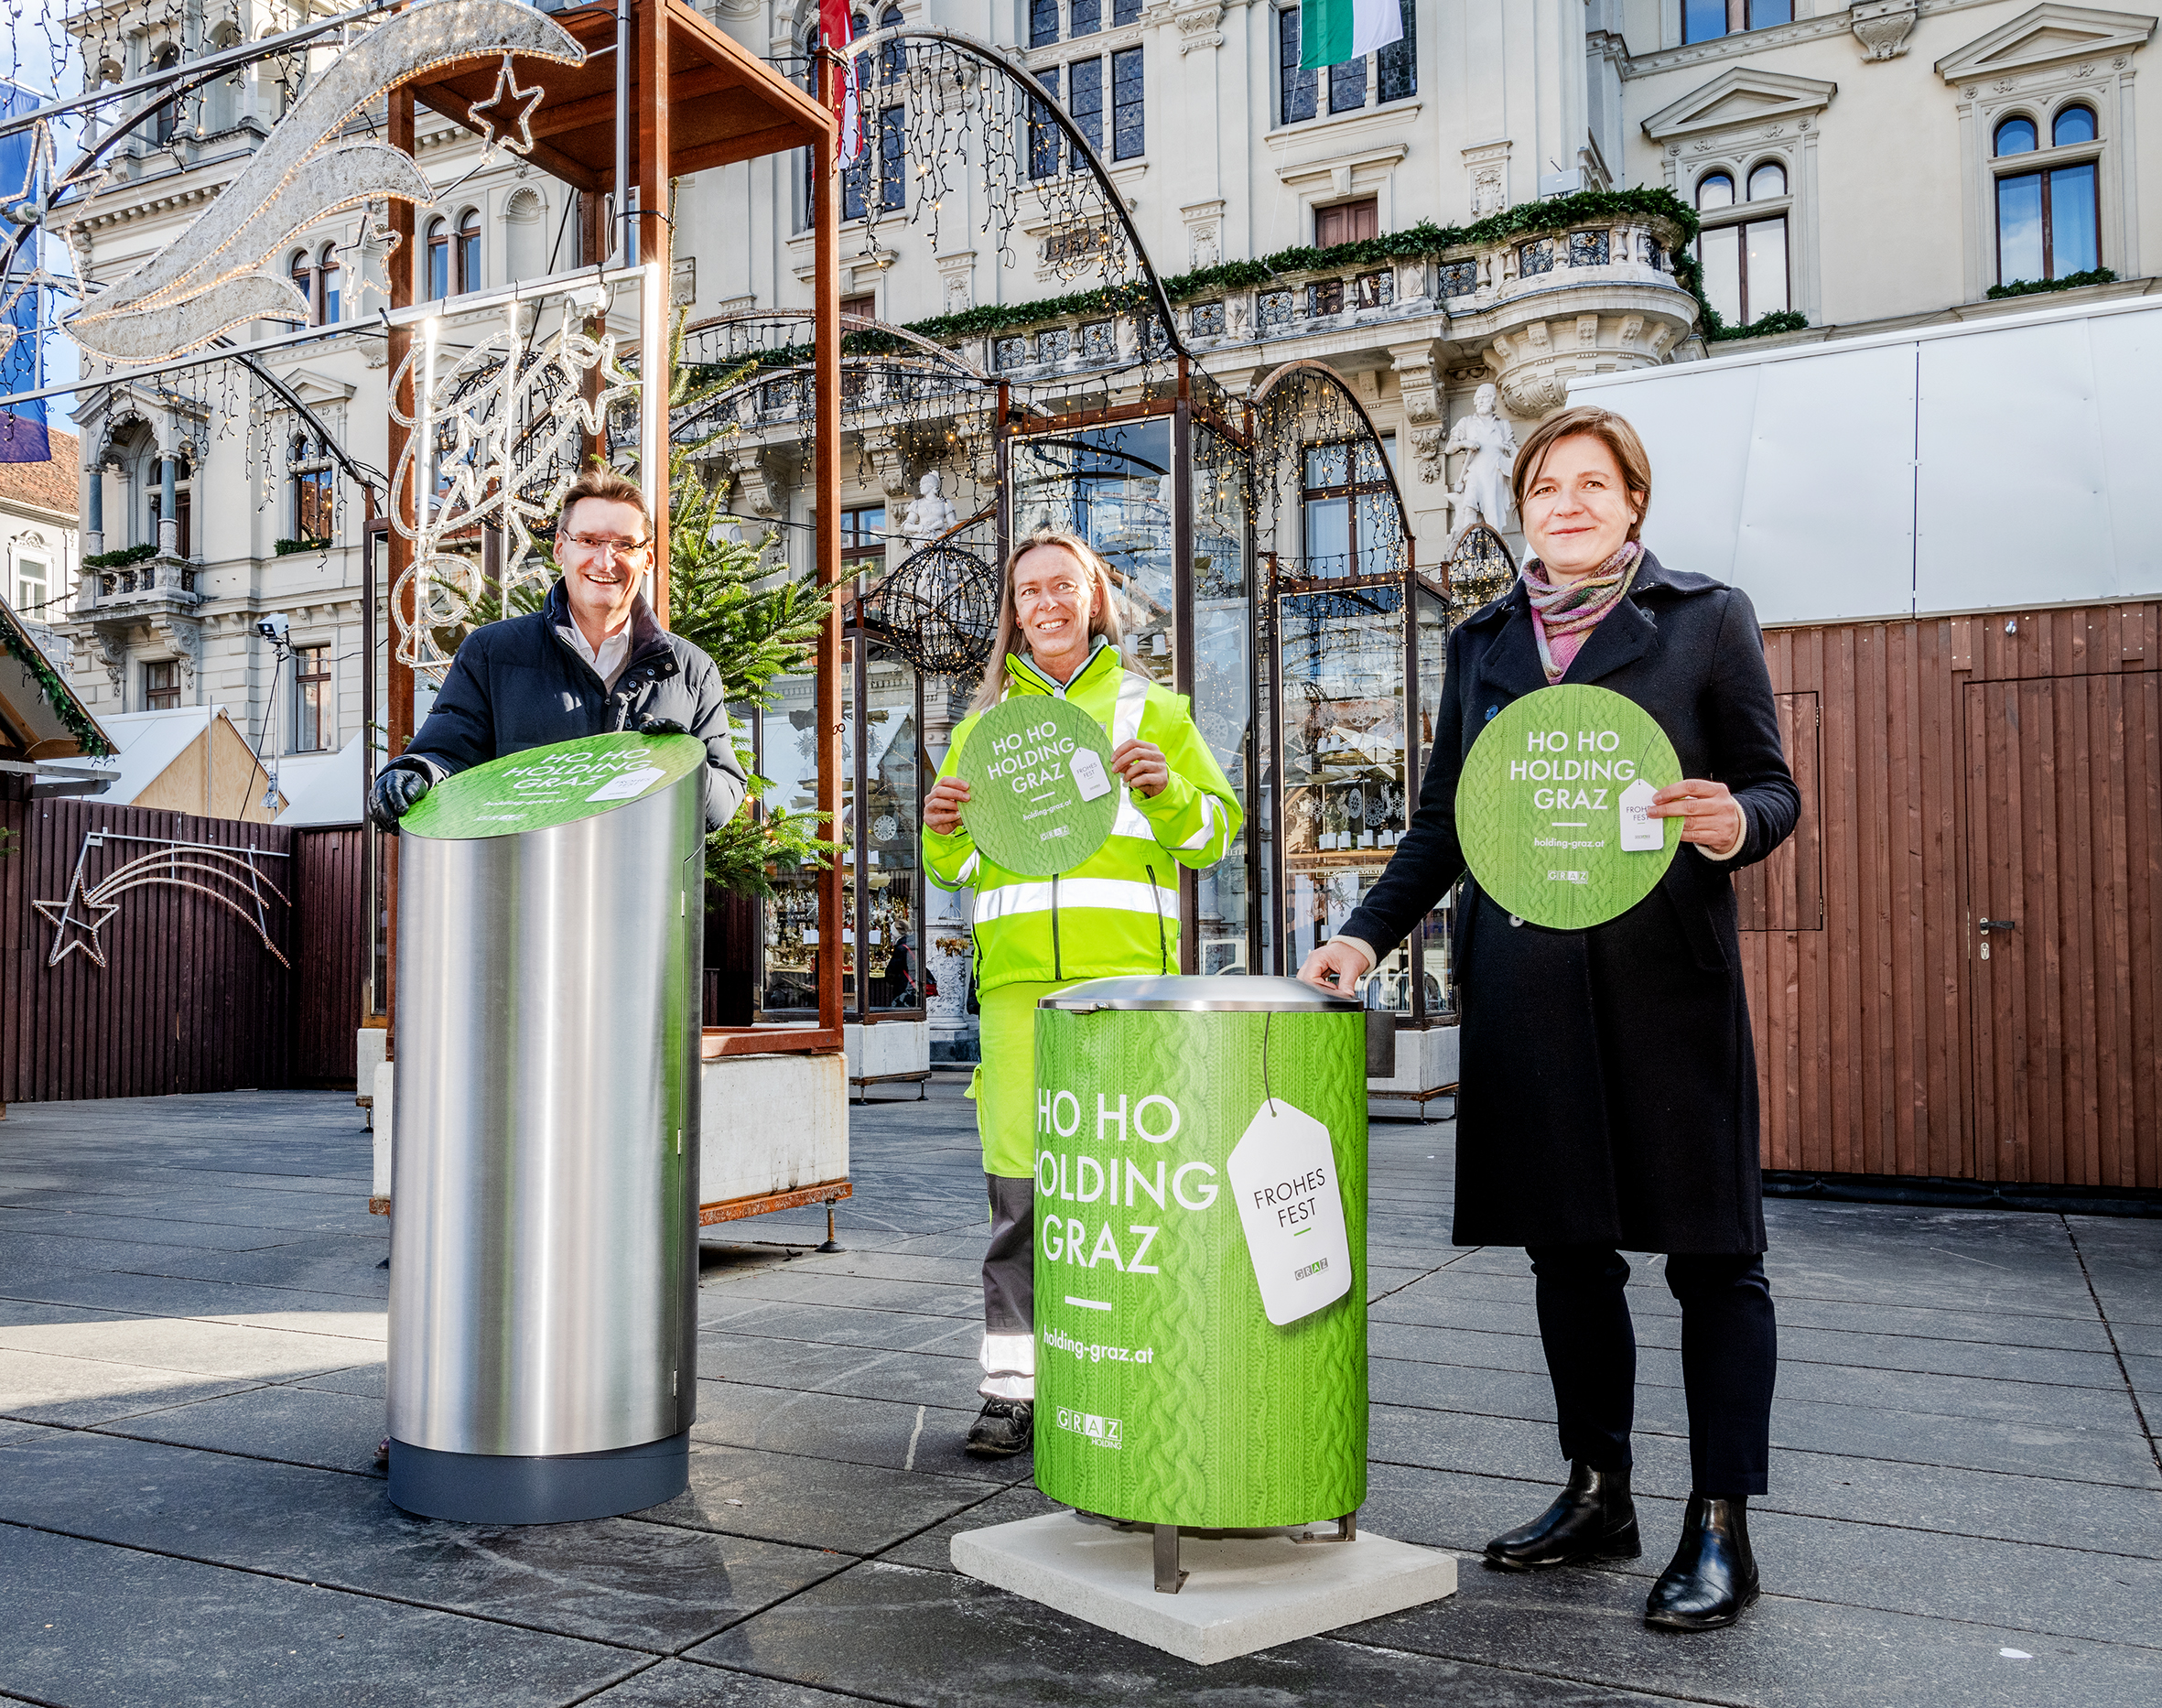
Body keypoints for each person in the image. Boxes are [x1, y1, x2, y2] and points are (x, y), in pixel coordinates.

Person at [1298, 405, 1800, 1632]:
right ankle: (1597, 1490)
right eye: (1541, 487)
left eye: (1590, 484)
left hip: (1663, 980)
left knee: (1711, 1255)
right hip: (1525, 985)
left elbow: (1772, 787)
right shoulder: (1482, 645)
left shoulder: (1703, 619)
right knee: (1565, 1248)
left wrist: (1734, 822)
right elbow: (1442, 822)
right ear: (1519, 510)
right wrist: (1364, 932)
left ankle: (1720, 1525)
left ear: (1633, 501)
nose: (1563, 504)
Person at [922, 529, 1242, 1456]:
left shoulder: (1153, 709)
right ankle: (1011, 1391)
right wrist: (941, 828)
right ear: (1013, 614)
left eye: (1063, 586)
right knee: (1018, 1198)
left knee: (1130, 1197)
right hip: (1019, 992)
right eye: (1028, 594)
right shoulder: (980, 730)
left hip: (1126, 987)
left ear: (1095, 598)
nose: (1046, 605)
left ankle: (1133, 1375)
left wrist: (1170, 791)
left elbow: (1213, 833)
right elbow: (959, 860)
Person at [366, 467, 745, 832]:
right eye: (589, 541)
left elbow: (725, 799)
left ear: (647, 559)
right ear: (560, 548)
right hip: (522, 886)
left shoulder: (692, 670)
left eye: (625, 545)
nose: (605, 560)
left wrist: (682, 761)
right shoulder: (491, 653)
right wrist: (412, 774)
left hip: (642, 888)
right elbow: (447, 755)